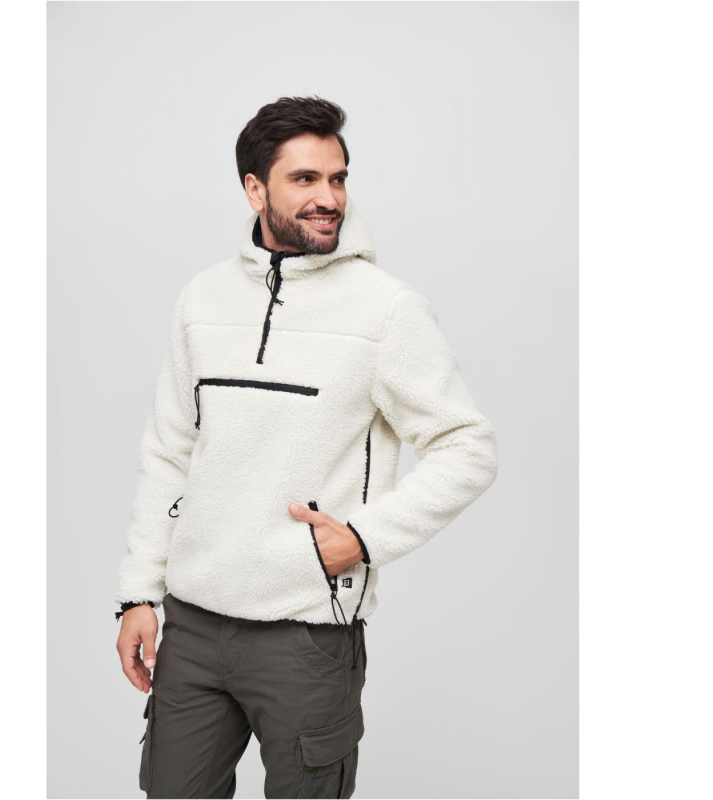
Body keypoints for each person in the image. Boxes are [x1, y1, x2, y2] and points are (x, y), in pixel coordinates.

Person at [114, 95, 498, 799]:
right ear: (254, 188)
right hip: (192, 625)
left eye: (338, 178)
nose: (329, 198)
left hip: (307, 636)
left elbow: (467, 446)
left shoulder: (386, 309)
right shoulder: (201, 299)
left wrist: (364, 537)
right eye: (305, 179)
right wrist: (138, 594)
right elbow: (169, 451)